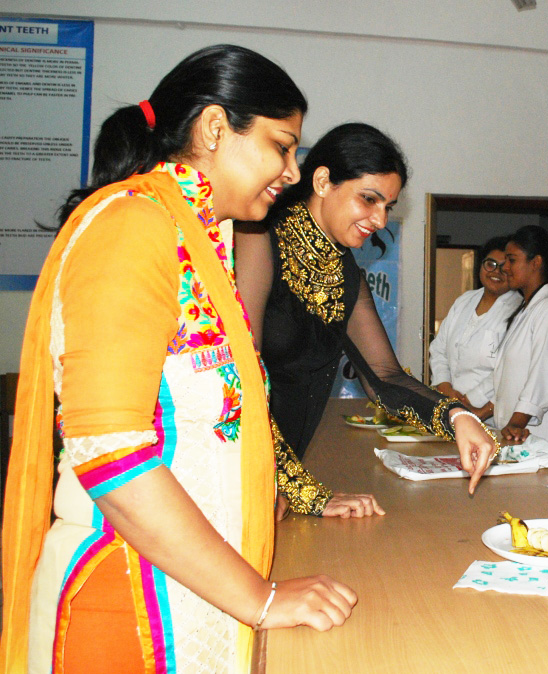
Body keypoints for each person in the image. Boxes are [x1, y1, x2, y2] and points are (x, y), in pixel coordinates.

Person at [1, 45, 357, 674]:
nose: (294, 171)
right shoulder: (131, 225)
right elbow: (111, 453)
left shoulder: (199, 236)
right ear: (215, 128)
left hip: (195, 592)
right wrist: (262, 598)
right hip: (128, 610)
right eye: (282, 146)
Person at [234, 122, 498, 493]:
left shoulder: (346, 275)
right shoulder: (256, 237)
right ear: (323, 181)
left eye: (387, 207)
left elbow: (385, 378)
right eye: (369, 199)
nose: (381, 220)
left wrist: (458, 417)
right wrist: (303, 492)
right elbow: (241, 380)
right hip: (238, 472)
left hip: (277, 485)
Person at [491, 225, 548, 445]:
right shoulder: (526, 309)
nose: (505, 268)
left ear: (536, 262)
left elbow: (541, 376)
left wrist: (516, 424)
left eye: (511, 260)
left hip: (538, 436)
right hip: (516, 434)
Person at [429, 236, 522, 420]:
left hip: (488, 413)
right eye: (490, 264)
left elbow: (510, 370)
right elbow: (439, 349)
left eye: (504, 267)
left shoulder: (519, 310)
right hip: (449, 405)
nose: (496, 272)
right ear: (481, 265)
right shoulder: (464, 300)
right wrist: (445, 386)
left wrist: (469, 399)